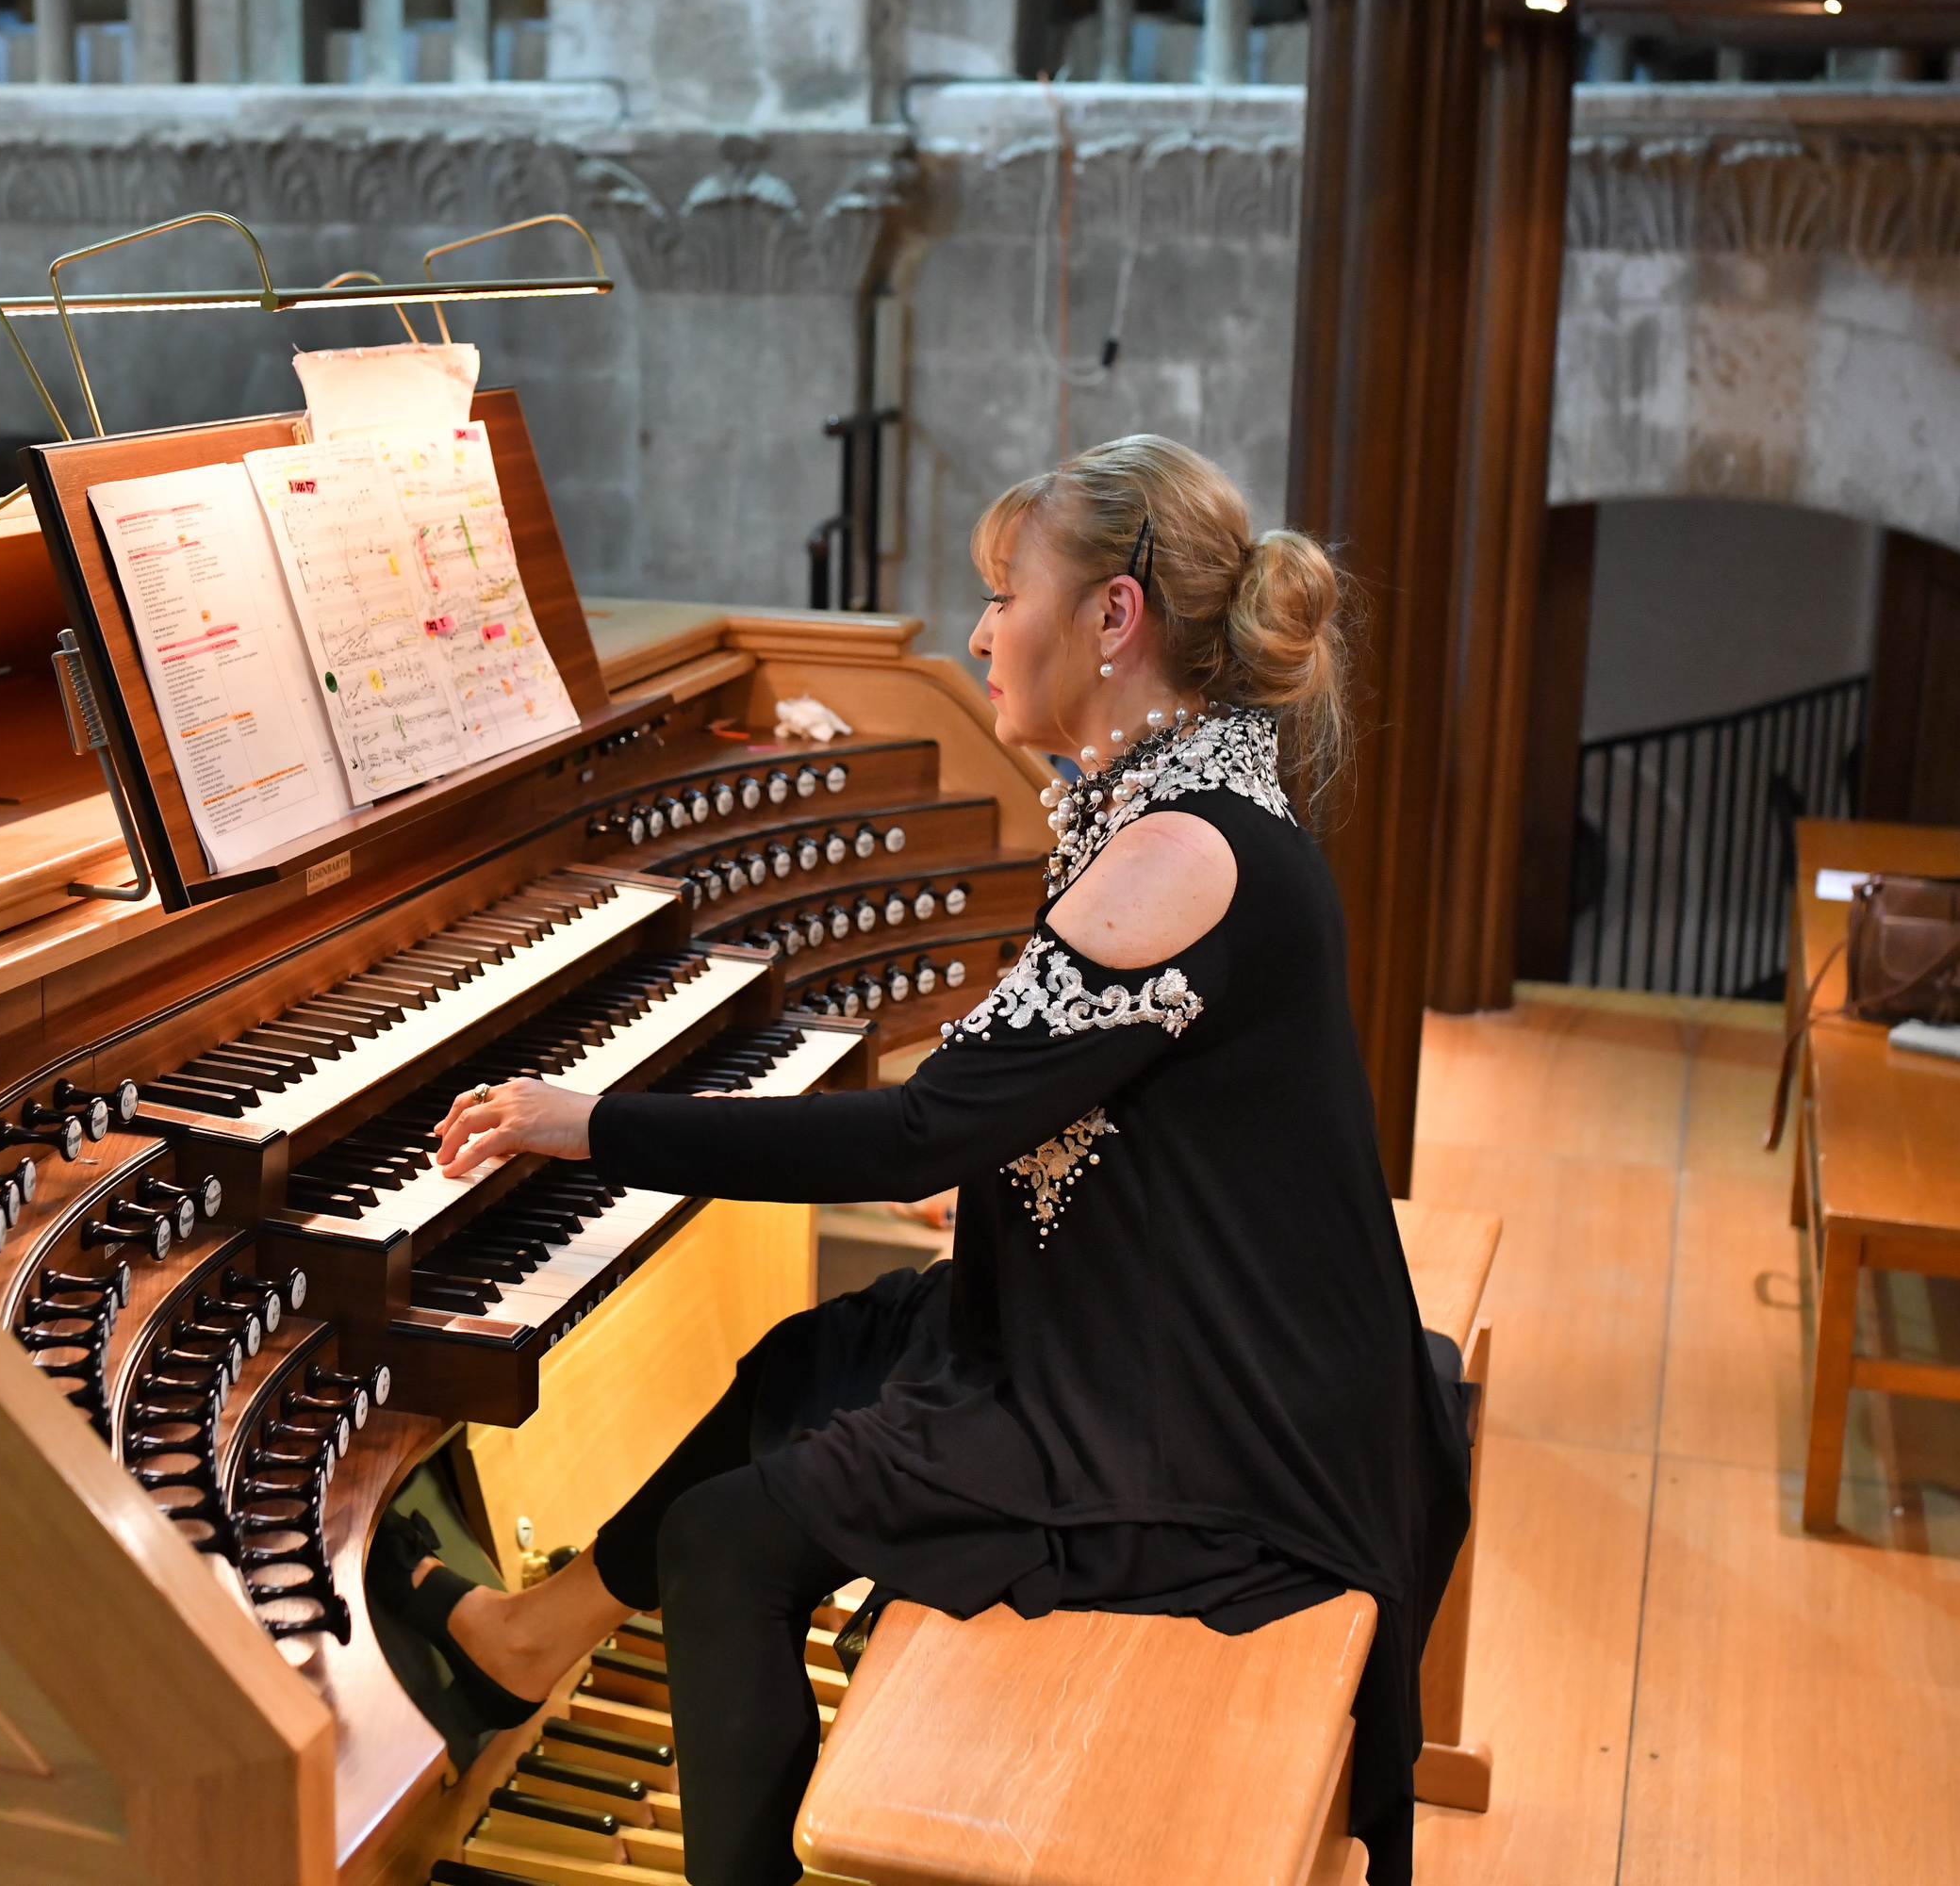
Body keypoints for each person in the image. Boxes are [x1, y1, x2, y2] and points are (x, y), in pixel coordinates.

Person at [383, 434, 1474, 1884]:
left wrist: (589, 1121)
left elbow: (911, 1132)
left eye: (1003, 593)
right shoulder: (1192, 801)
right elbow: (1160, 1111)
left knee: (724, 1544)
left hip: (1209, 1429)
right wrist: (1002, 1167)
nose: (976, 632)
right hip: (1212, 1334)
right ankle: (528, 1639)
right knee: (805, 1361)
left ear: (1112, 617)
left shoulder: (1175, 855)